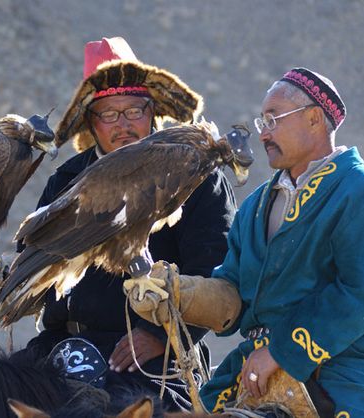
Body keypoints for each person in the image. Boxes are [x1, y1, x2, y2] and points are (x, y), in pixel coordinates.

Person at [128, 67, 364, 417]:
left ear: (314, 119)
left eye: (273, 120)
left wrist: (281, 352)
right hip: (252, 365)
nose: (262, 135)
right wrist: (180, 294)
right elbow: (233, 290)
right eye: (262, 122)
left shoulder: (362, 191)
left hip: (344, 367)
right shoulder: (257, 204)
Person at [16, 36, 237, 411]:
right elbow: (36, 258)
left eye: (134, 110)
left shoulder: (195, 174)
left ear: (153, 113)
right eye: (109, 114)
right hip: (61, 346)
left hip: (152, 353)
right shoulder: (67, 178)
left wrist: (160, 335)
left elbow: (217, 270)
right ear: (91, 122)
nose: (124, 125)